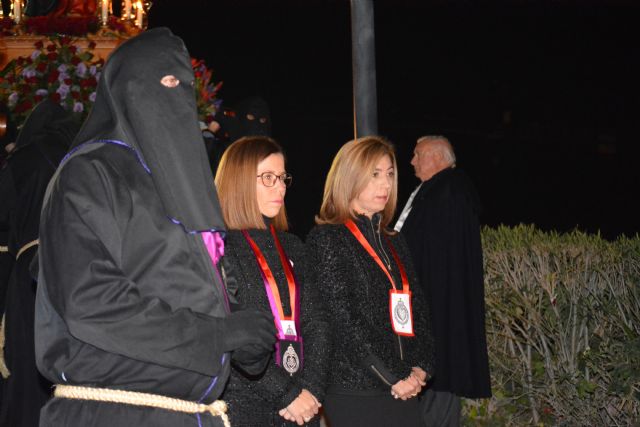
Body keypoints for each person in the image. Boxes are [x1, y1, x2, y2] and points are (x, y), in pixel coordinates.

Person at [34, 28, 276, 427]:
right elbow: (90, 301)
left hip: (190, 414)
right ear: (126, 91)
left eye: (184, 87)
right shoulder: (91, 173)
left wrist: (245, 338)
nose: (176, 98)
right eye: (165, 82)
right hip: (112, 413)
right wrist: (215, 336)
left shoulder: (185, 185)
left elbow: (205, 289)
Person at [306, 135, 434, 427]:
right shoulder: (328, 238)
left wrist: (421, 367)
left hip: (404, 382)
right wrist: (393, 375)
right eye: (374, 174)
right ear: (350, 177)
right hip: (356, 388)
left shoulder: (394, 240)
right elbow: (344, 320)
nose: (385, 184)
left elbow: (418, 307)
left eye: (389, 174)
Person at [215, 136, 328, 426]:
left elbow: (317, 322)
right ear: (239, 181)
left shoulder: (293, 246)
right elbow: (235, 336)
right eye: (268, 178)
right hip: (245, 404)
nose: (280, 187)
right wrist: (287, 394)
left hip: (303, 404)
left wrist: (310, 390)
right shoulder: (219, 247)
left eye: (282, 178)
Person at [395, 135, 492, 426]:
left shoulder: (447, 192)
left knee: (440, 378)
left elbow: (435, 257)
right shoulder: (437, 190)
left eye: (418, 154)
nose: (412, 161)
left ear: (437, 158)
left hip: (436, 310)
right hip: (430, 307)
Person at [0, 99, 80, 427]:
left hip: (27, 269)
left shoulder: (24, 158)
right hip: (72, 266)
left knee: (24, 353)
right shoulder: (81, 158)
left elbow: (4, 214)